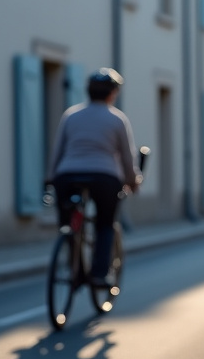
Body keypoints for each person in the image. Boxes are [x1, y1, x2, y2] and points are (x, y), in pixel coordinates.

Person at [48, 68, 140, 288]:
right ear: (113, 93)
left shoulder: (71, 115)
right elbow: (127, 158)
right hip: (104, 176)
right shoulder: (117, 119)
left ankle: (75, 267)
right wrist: (133, 181)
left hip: (67, 175)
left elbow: (57, 151)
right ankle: (99, 274)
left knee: (68, 224)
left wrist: (50, 179)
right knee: (105, 224)